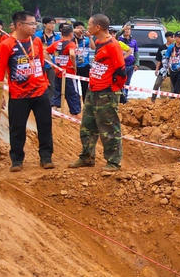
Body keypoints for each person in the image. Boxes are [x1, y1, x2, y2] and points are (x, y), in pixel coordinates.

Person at [0, 11, 53, 172]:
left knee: (45, 125)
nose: (34, 27)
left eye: (35, 24)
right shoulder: (6, 45)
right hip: (19, 94)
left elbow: (40, 63)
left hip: (40, 92)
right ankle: (17, 160)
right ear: (19, 25)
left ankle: (46, 157)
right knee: (17, 128)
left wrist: (45, 82)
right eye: (31, 24)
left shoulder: (37, 41)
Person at [70, 14, 126, 170]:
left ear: (98, 27)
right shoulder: (99, 42)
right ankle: (87, 156)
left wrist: (112, 88)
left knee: (108, 127)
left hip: (106, 92)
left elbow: (121, 71)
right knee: (87, 125)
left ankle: (113, 162)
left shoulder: (113, 45)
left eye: (89, 24)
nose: (87, 27)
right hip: (93, 89)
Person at [46, 23, 82, 114]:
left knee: (57, 91)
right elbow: (72, 54)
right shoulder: (71, 44)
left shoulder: (56, 43)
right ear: (71, 34)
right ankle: (75, 113)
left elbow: (45, 52)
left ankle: (54, 110)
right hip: (69, 73)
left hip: (58, 71)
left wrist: (52, 64)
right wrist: (74, 65)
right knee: (73, 93)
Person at [117, 23, 139, 103]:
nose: (127, 31)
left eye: (129, 29)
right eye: (125, 29)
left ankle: (125, 98)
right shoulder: (118, 39)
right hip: (121, 65)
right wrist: (122, 30)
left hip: (131, 65)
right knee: (120, 82)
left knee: (127, 82)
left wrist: (137, 63)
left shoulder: (133, 41)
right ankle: (121, 98)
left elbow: (136, 52)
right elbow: (115, 36)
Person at [151, 33, 176, 100]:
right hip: (163, 68)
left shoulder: (175, 47)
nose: (173, 39)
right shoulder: (162, 47)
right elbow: (159, 59)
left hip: (173, 68)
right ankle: (153, 98)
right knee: (157, 84)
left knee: (173, 85)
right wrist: (156, 69)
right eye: (172, 37)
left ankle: (172, 100)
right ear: (167, 38)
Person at [72, 22, 92, 99]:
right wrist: (73, 31)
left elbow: (93, 47)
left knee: (85, 86)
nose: (81, 30)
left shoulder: (86, 39)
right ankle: (76, 104)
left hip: (85, 66)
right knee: (74, 87)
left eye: (82, 28)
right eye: (79, 28)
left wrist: (90, 37)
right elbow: (64, 33)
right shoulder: (71, 39)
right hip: (74, 66)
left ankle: (85, 102)